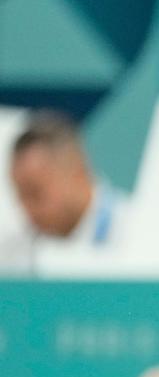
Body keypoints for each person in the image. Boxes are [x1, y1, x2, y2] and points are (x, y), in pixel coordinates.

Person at [1, 111, 131, 275]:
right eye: (20, 197)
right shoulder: (14, 252)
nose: (27, 210)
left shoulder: (140, 234)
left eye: (35, 193)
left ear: (78, 173)